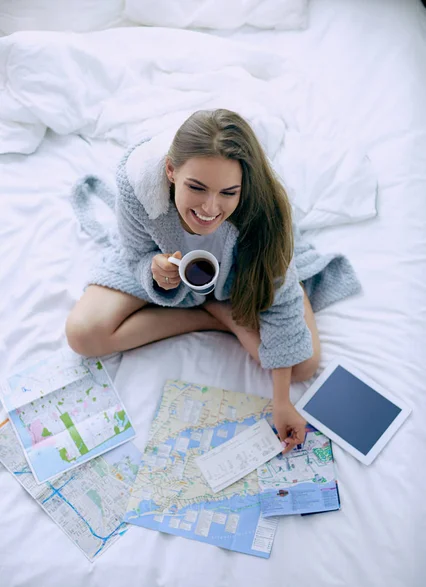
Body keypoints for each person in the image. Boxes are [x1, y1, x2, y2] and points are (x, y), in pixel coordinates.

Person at [66, 109, 360, 453]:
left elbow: (281, 304)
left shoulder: (268, 214)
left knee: (303, 365)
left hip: (240, 278)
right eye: (196, 187)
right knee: (82, 335)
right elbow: (135, 254)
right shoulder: (138, 185)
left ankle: (220, 309)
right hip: (175, 278)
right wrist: (154, 270)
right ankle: (214, 314)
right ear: (171, 171)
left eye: (228, 192)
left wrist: (282, 402)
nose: (210, 207)